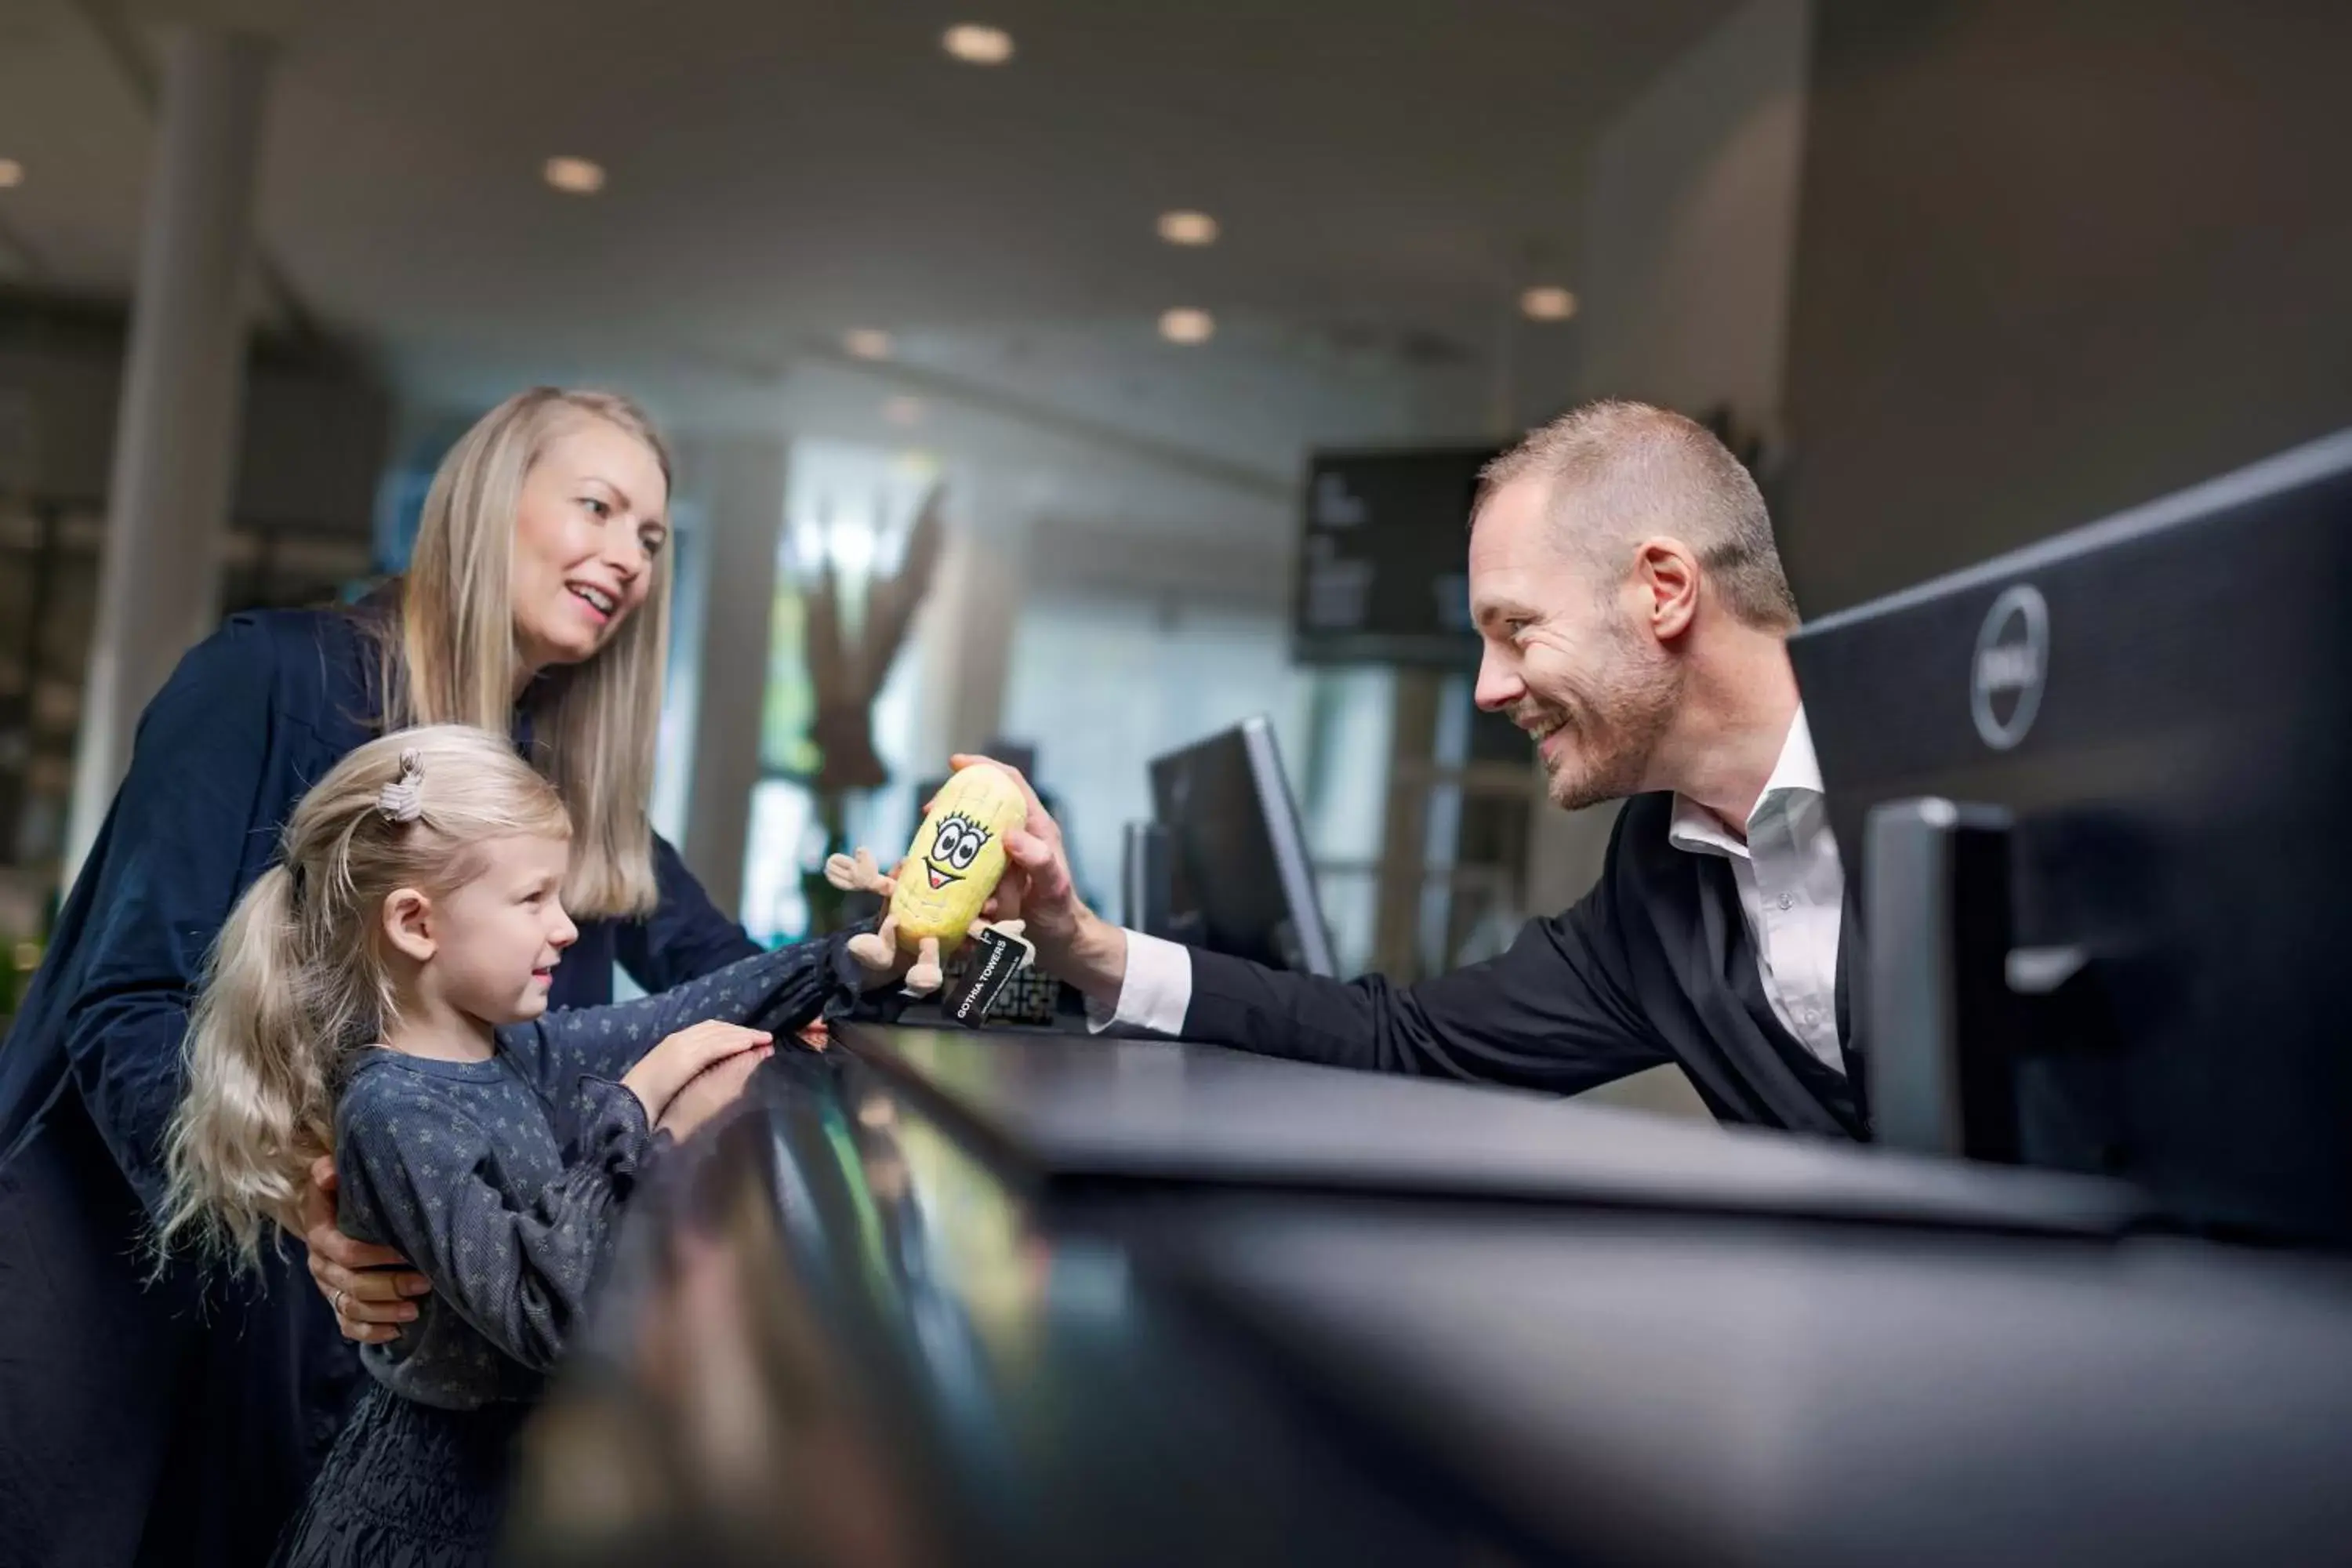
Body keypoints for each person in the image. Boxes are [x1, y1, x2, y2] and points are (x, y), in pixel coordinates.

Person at [0, 389, 771, 1566]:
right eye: (599, 507)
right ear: (487, 505)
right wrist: (303, 1197)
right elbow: (126, 1004)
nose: (630, 557)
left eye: (655, 538)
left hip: (363, 1347)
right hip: (148, 1286)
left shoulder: (560, 803)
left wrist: (928, 940)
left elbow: (732, 976)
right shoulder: (263, 679)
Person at [967, 400, 1869, 1138]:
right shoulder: (1657, 875)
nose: (1487, 688)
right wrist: (1082, 944)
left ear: (1664, 590)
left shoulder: (1972, 770)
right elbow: (1402, 1040)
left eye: (1516, 628)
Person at [158, 728, 856, 1566]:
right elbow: (546, 1309)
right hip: (440, 1511)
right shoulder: (394, 1111)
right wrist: (640, 1099)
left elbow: (681, 1010)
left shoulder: (518, 1050)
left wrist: (847, 960)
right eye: (533, 900)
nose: (566, 928)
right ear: (416, 922)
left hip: (528, 1480)